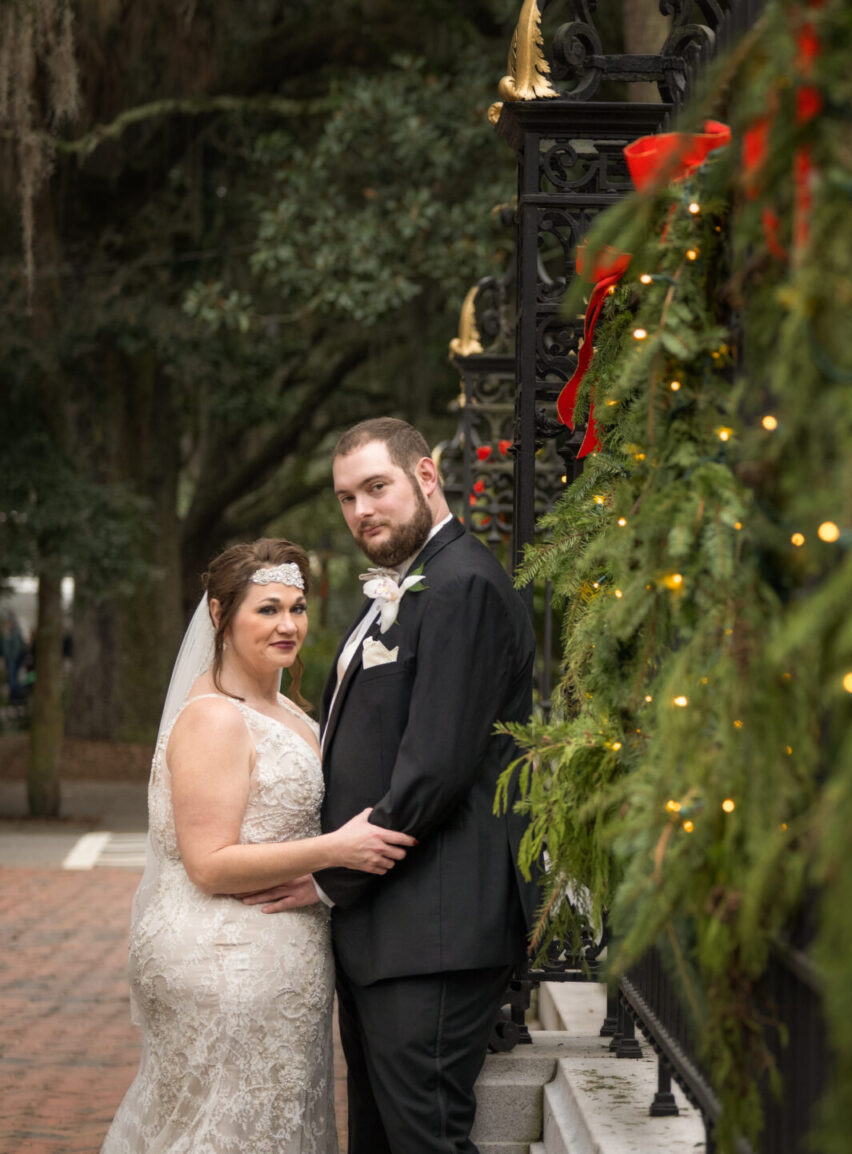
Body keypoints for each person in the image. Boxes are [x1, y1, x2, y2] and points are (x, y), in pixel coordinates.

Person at [240, 418, 538, 1154]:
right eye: (347, 497)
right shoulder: (402, 589)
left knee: (424, 1139)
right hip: (391, 930)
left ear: (426, 478)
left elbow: (434, 766)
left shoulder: (462, 586)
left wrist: (330, 879)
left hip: (433, 929)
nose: (361, 511)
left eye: (377, 487)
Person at [101, 539, 416, 1154]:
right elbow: (210, 864)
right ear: (220, 615)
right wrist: (337, 849)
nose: (288, 625)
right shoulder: (216, 718)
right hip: (225, 956)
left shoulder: (292, 713)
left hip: (278, 959)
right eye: (267, 609)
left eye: (297, 609)